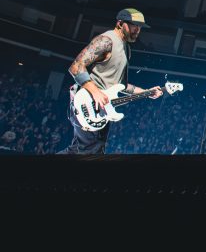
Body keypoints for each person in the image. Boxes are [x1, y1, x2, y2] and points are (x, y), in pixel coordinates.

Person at [61, 8, 164, 154]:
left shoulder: (126, 49)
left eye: (140, 27)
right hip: (87, 104)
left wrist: (146, 92)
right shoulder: (106, 40)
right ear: (120, 23)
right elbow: (76, 67)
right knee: (91, 151)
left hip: (102, 108)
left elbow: (120, 86)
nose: (137, 30)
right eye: (134, 25)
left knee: (77, 150)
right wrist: (96, 92)